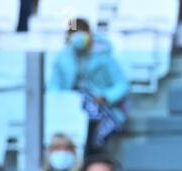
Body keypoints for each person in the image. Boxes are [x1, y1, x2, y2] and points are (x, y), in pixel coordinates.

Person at [48, 18, 128, 155]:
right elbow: (54, 86)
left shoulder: (104, 57)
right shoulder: (63, 58)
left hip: (99, 107)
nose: (78, 37)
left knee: (91, 115)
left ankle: (93, 150)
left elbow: (122, 85)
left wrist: (105, 96)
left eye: (82, 33)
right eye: (74, 33)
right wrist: (58, 101)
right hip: (70, 108)